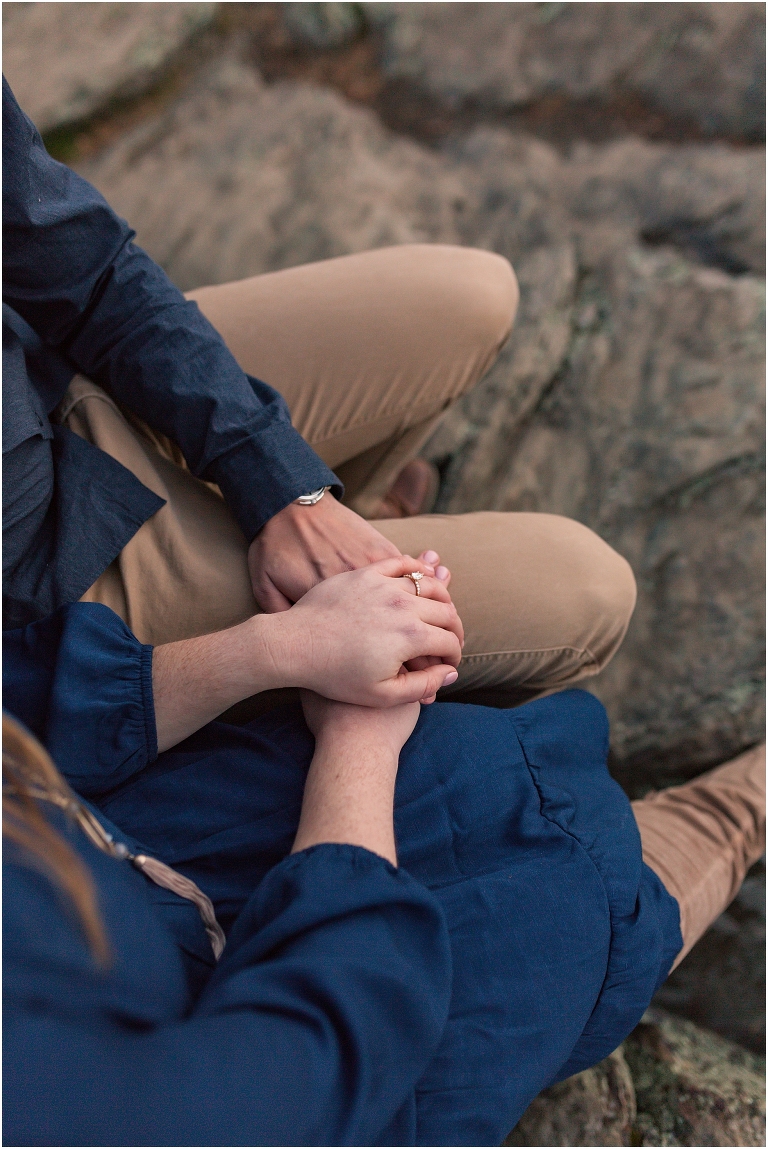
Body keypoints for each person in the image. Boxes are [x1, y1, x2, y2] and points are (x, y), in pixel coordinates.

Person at [3, 596, 765, 1146]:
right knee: (581, 905)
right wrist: (357, 742)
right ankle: (743, 811)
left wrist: (279, 644)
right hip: (343, 1048)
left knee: (505, 736)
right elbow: (300, 1082)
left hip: (140, 842)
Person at [2, 75, 637, 716]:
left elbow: (83, 265)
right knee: (589, 590)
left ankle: (338, 537)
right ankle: (335, 681)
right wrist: (273, 651)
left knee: (469, 295)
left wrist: (275, 477)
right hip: (57, 591)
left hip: (57, 387)